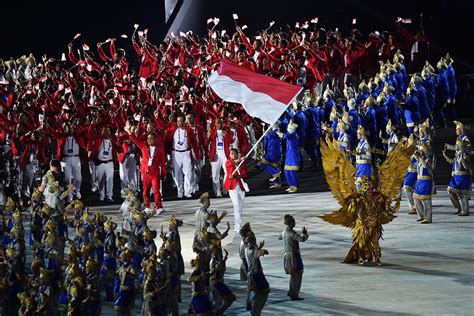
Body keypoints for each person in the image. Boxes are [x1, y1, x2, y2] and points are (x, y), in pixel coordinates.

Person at [127, 122, 166, 215]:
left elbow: (163, 162)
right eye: (148, 138)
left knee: (156, 190)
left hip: (155, 172)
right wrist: (129, 132)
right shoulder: (143, 146)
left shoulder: (159, 148)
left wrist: (164, 174)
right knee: (145, 191)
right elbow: (135, 140)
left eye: (151, 138)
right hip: (145, 172)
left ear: (155, 139)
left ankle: (159, 207)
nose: (149, 140)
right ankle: (147, 206)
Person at [166, 114, 200, 198]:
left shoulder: (189, 130)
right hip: (176, 153)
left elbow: (195, 144)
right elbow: (163, 128)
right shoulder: (173, 129)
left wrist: (197, 156)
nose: (179, 123)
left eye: (181, 121)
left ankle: (187, 191)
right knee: (177, 173)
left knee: (188, 172)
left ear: (184, 121)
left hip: (186, 153)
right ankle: (180, 191)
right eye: (177, 121)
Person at [443, 121, 471, 216]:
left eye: (457, 129)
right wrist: (449, 148)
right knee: (450, 190)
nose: (456, 131)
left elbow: (468, 149)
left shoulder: (465, 138)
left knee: (462, 193)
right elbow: (457, 148)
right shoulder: (459, 139)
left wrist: (463, 151)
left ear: (461, 129)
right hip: (456, 171)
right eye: (455, 130)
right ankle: (458, 207)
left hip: (463, 170)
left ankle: (465, 210)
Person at [278, 214, 308, 300]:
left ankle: (292, 292)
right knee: (297, 274)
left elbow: (279, 237)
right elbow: (302, 239)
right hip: (294, 256)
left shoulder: (284, 232)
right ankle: (294, 294)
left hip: (286, 255)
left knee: (293, 275)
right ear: (291, 223)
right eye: (294, 221)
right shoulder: (292, 233)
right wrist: (305, 234)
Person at [89, 126, 117, 202]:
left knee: (110, 179)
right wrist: (92, 125)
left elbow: (119, 147)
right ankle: (102, 195)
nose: (106, 133)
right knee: (101, 180)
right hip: (100, 162)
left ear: (110, 132)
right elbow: (90, 135)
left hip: (109, 163)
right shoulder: (98, 140)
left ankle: (109, 196)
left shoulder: (113, 141)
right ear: (101, 132)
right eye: (104, 131)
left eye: (107, 131)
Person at [224, 148, 247, 233]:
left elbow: (244, 174)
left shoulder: (241, 163)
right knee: (236, 206)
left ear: (237, 154)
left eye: (235, 153)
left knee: (240, 207)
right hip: (232, 188)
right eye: (232, 153)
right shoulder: (228, 162)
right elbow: (230, 164)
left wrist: (235, 177)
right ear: (229, 155)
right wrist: (240, 160)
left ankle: (238, 224)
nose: (233, 154)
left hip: (240, 187)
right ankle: (238, 227)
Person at [208, 118, 231, 198]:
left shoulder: (226, 131)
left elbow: (231, 141)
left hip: (225, 155)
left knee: (228, 172)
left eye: (221, 123)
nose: (219, 124)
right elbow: (206, 141)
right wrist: (208, 137)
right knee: (215, 175)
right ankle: (218, 190)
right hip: (216, 155)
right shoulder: (212, 132)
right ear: (215, 124)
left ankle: (225, 188)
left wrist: (226, 136)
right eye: (217, 123)